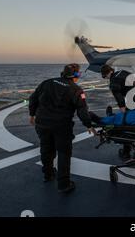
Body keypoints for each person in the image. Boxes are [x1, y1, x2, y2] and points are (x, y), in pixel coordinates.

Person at [29, 63, 96, 194]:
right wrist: (88, 125)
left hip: (42, 123)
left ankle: (48, 175)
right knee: (64, 152)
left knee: (46, 148)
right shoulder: (76, 90)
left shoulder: (46, 82)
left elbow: (33, 99)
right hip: (61, 126)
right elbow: (82, 110)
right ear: (76, 75)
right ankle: (64, 184)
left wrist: (32, 115)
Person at [101, 64, 135, 160]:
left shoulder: (113, 82)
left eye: (105, 76)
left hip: (133, 101)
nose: (107, 78)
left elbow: (120, 101)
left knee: (127, 127)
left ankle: (126, 152)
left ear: (108, 74)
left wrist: (124, 114)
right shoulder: (123, 72)